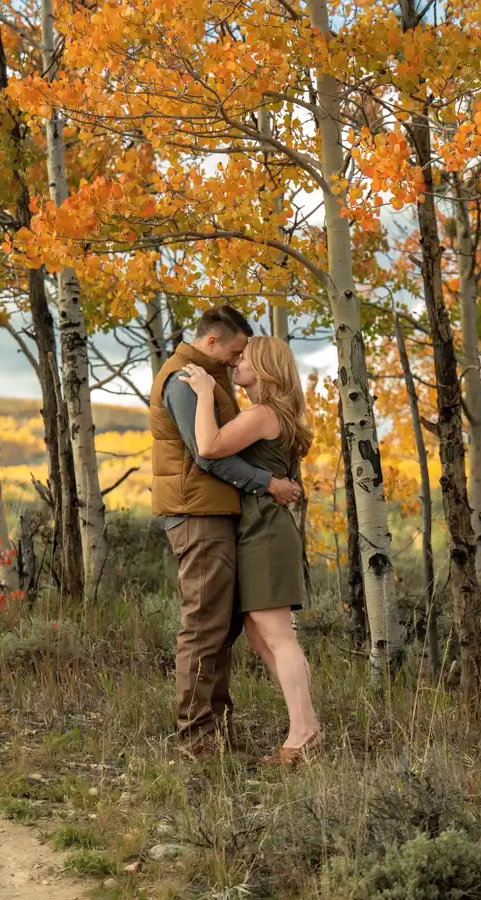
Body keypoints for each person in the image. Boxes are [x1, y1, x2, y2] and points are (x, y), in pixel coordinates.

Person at [150, 306, 302, 760]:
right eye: (235, 351)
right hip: (197, 513)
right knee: (203, 626)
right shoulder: (184, 379)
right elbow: (206, 454)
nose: (237, 361)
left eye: (244, 356)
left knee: (222, 627)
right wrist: (268, 483)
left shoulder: (210, 379)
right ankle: (198, 739)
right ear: (213, 341)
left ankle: (215, 730)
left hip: (218, 514)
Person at [179, 335, 320, 765]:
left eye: (245, 358)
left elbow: (208, 446)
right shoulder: (275, 414)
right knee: (261, 636)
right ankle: (305, 725)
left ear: (264, 367)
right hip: (261, 529)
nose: (237, 362)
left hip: (265, 532)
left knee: (277, 636)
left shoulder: (262, 415)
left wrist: (204, 393)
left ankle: (305, 734)